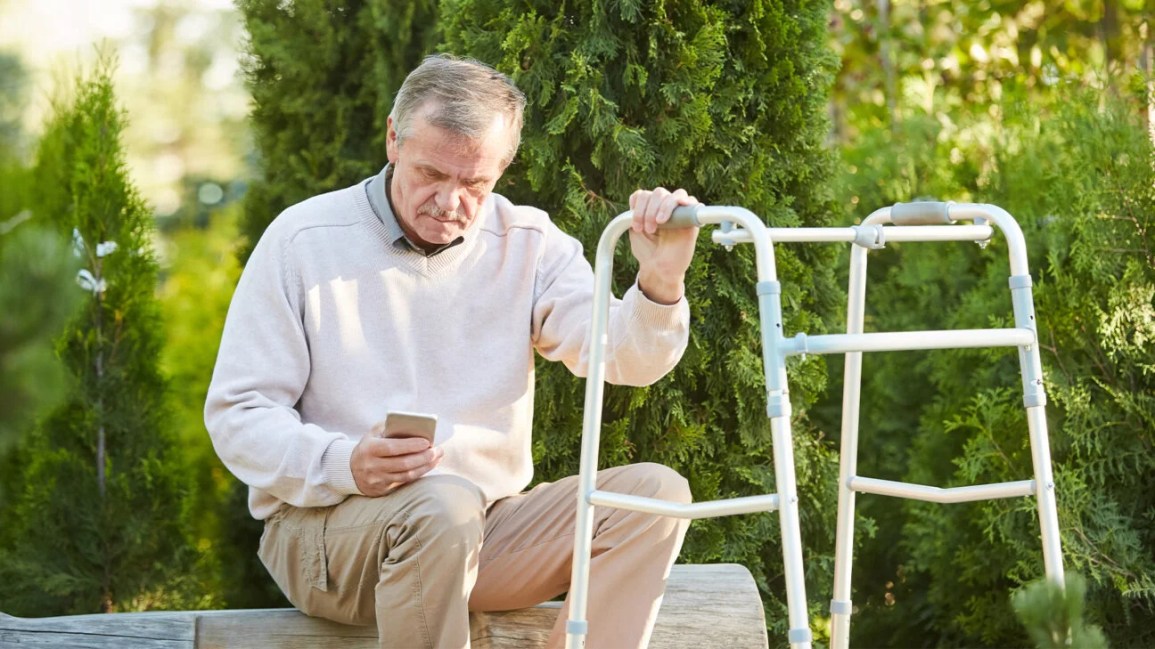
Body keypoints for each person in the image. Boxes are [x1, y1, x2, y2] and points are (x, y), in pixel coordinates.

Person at [205, 54, 700, 649]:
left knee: (654, 498)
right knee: (442, 505)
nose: (450, 201)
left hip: (478, 531)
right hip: (325, 537)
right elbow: (239, 415)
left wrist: (661, 282)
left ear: (502, 169)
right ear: (393, 138)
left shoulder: (529, 242)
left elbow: (625, 360)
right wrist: (345, 463)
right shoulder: (302, 239)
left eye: (474, 184)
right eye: (431, 173)